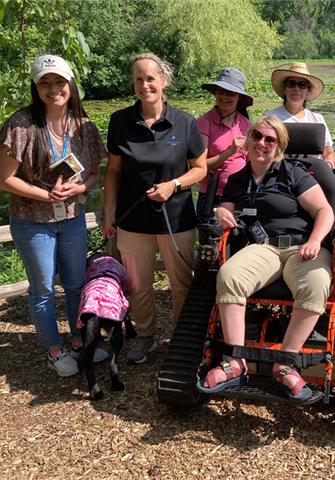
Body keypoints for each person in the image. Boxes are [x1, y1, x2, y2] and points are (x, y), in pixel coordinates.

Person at [196, 115, 335, 402]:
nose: (261, 143)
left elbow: (325, 212)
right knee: (228, 276)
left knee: (316, 282)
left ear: (279, 146)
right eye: (257, 136)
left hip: (302, 246)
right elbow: (225, 210)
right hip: (263, 247)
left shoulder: (293, 173)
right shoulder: (237, 179)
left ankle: (285, 363)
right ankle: (235, 362)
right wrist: (222, 212)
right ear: (248, 140)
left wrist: (314, 241)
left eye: (270, 139)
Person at [0, 55, 108, 377]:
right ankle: (53, 349)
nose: (53, 89)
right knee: (43, 288)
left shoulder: (83, 126)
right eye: (44, 82)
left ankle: (76, 341)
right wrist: (46, 194)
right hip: (32, 220)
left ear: (70, 83)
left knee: (75, 285)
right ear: (35, 87)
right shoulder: (21, 124)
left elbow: (94, 176)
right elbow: (4, 179)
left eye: (59, 81)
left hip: (71, 217)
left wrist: (78, 189)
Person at [103, 53, 207, 364]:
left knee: (181, 284)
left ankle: (183, 337)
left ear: (163, 81)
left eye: (150, 78)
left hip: (177, 219)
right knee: (138, 285)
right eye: (138, 79)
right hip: (132, 220)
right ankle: (146, 336)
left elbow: (200, 169)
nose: (144, 85)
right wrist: (110, 215)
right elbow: (113, 172)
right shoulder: (120, 121)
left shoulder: (185, 122)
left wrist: (173, 185)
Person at [195, 68, 253, 222]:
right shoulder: (204, 122)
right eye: (220, 91)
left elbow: (250, 165)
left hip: (238, 194)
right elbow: (200, 166)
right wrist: (229, 152)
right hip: (211, 194)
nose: (225, 96)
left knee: (237, 242)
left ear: (240, 97)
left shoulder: (247, 125)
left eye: (231, 93)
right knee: (209, 243)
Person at [265, 62, 335, 168]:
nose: (296, 88)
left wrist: (327, 166)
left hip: (313, 176)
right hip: (280, 175)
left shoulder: (317, 119)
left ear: (308, 90)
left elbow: (329, 153)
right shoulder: (269, 118)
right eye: (291, 84)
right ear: (285, 88)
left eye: (302, 84)